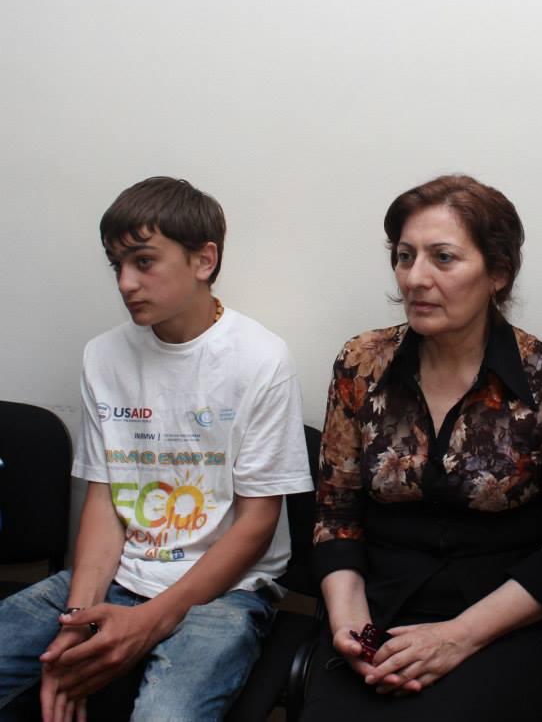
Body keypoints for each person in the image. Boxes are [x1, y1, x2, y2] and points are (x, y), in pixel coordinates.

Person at [0, 177, 314, 721]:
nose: (126, 283)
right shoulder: (104, 356)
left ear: (204, 260)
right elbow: (106, 501)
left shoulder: (260, 358)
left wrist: (149, 623)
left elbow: (257, 523)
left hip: (225, 592)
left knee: (165, 715)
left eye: (144, 261)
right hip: (120, 575)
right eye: (116, 265)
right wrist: (79, 619)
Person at [303, 175, 542, 720]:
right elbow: (336, 514)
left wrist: (457, 637)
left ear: (498, 273)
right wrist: (351, 626)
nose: (415, 278)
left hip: (509, 618)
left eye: (443, 258)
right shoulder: (362, 363)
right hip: (380, 604)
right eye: (405, 256)